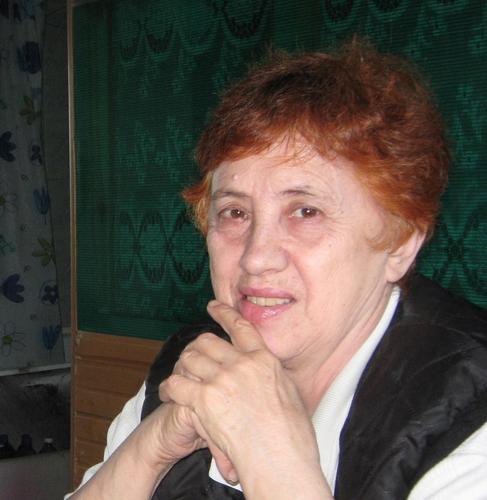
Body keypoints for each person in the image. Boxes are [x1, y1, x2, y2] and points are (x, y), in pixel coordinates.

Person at [68, 39, 487, 499]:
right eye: (235, 212)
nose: (255, 257)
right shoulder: (192, 362)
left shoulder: (468, 422)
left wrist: (272, 458)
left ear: (400, 242)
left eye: (306, 211)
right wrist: (149, 447)